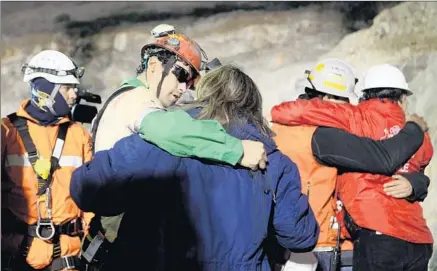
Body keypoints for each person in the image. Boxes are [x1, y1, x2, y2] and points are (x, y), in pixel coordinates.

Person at [70, 64, 320, 270]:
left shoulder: (161, 144)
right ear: (253, 105)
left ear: (204, 95)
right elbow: (300, 236)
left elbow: (86, 188)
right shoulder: (273, 161)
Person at [82, 30, 267, 269]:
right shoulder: (136, 100)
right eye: (181, 75)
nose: (183, 87)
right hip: (123, 241)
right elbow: (170, 131)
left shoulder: (126, 99)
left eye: (189, 81)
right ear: (155, 66)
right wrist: (237, 149)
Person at [270, 59, 431, 271]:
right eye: (345, 99)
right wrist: (414, 130)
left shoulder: (348, 121)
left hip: (313, 237)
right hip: (322, 242)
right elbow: (384, 159)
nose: (349, 105)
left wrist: (416, 183)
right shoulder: (323, 135)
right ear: (327, 99)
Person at [1, 50, 94, 271]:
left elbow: (91, 198)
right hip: (17, 257)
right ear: (45, 90)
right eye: (67, 88)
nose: (74, 95)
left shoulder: (78, 134)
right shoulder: (6, 132)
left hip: (68, 261)